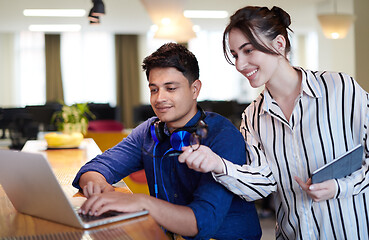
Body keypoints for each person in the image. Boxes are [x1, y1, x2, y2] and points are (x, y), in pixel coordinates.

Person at [178, 6, 369, 240]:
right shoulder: (253, 117)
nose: (239, 64)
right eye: (235, 54)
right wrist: (217, 164)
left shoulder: (340, 88)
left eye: (248, 51)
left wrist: (340, 187)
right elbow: (262, 184)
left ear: (279, 44)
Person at [72, 43, 261, 240]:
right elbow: (96, 167)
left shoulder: (223, 135)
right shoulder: (150, 131)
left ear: (195, 89)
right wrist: (96, 183)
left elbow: (202, 222)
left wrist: (143, 203)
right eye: (154, 89)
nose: (159, 98)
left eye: (170, 88)